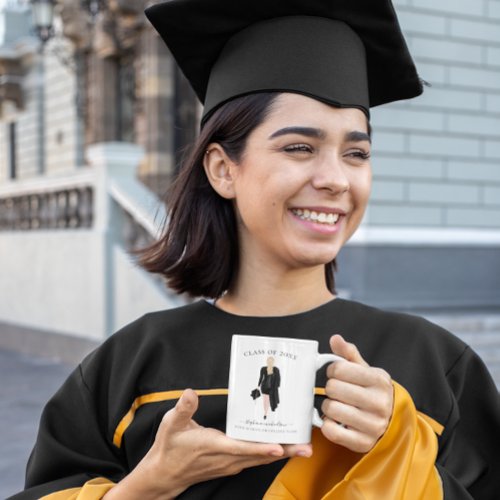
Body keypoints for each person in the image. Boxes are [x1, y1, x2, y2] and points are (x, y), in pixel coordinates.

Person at [10, 0, 500, 498]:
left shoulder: (431, 364)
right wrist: (144, 487)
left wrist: (397, 451)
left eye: (356, 153)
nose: (335, 179)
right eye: (299, 148)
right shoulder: (134, 363)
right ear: (224, 169)